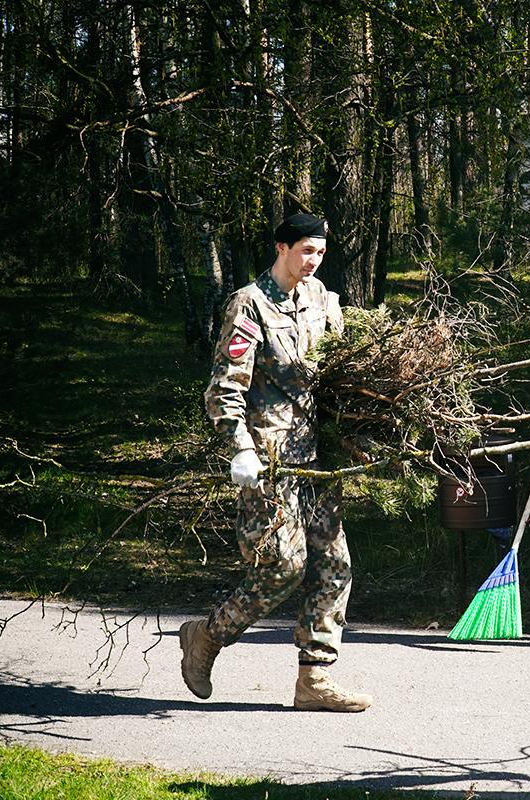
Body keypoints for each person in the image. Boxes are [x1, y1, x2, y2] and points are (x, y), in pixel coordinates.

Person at [179, 212, 372, 713]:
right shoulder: (250, 304)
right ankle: (206, 636)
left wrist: (356, 434)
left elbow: (335, 379)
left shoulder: (322, 300)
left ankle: (316, 680)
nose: (314, 261)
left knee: (334, 565)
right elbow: (225, 388)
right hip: (271, 460)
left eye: (321, 253)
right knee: (283, 566)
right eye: (306, 250)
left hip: (317, 459)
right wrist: (239, 446)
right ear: (281, 248)